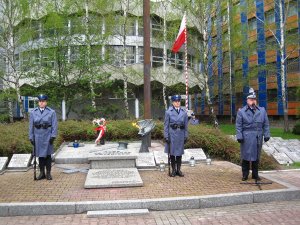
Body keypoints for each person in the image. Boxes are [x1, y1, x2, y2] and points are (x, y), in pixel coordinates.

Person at [236, 88, 270, 181]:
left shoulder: (262, 110)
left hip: (258, 136)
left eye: (254, 99)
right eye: (251, 100)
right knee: (246, 157)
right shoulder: (241, 111)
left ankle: (255, 175)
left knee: (256, 157)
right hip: (246, 137)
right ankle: (245, 175)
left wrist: (267, 134)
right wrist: (239, 136)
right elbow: (238, 125)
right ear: (247, 101)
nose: (253, 101)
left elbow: (266, 124)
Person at [29, 94, 58, 180]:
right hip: (37, 136)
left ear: (46, 102)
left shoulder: (51, 112)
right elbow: (31, 126)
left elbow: (55, 125)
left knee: (48, 155)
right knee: (40, 155)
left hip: (47, 135)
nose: (41, 103)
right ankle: (42, 173)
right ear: (38, 102)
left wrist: (53, 136)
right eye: (40, 101)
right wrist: (31, 137)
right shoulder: (33, 112)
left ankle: (48, 173)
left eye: (43, 101)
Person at [164, 95, 188, 177]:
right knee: (172, 153)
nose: (177, 103)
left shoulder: (184, 112)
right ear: (173, 102)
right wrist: (166, 136)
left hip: (180, 134)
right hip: (172, 135)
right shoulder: (168, 112)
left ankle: (179, 170)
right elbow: (166, 126)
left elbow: (186, 126)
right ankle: (173, 170)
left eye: (178, 101)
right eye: (176, 101)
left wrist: (186, 136)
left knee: (179, 153)